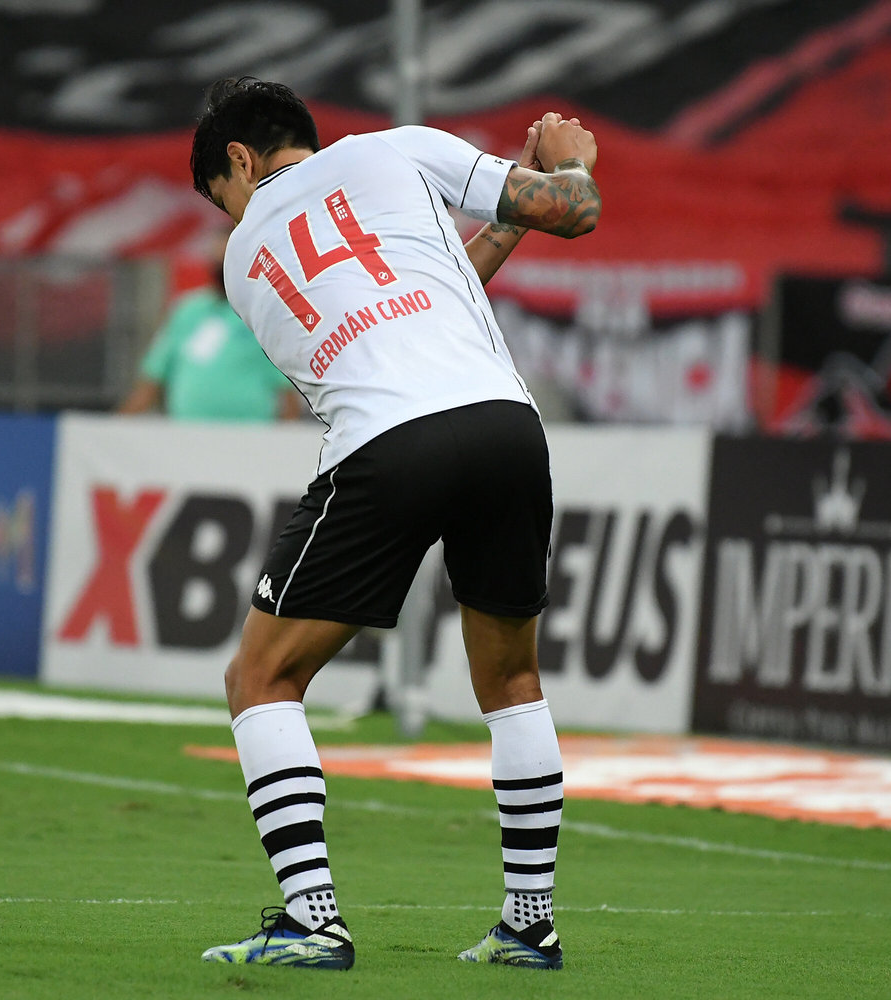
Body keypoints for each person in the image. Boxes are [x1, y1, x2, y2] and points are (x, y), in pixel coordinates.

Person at [189, 77, 600, 972]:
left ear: (239, 160)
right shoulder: (398, 148)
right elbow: (568, 214)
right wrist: (570, 162)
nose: (226, 217)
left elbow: (377, 329)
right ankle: (530, 924)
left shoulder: (239, 265)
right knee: (514, 679)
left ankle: (312, 921)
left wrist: (568, 183)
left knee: (261, 679)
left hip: (387, 442)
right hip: (504, 424)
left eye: (219, 199)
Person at [117, 232, 302, 421]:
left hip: (249, 439)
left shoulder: (263, 314)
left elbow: (287, 392)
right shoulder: (188, 310)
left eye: (228, 260)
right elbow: (152, 378)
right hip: (186, 437)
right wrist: (112, 430)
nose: (221, 269)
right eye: (217, 261)